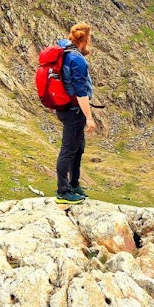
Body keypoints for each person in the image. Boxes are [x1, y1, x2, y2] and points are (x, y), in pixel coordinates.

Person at [55, 22, 97, 204]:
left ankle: (74, 183)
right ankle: (63, 192)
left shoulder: (63, 49)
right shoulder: (77, 60)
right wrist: (89, 117)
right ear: (86, 39)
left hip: (65, 107)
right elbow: (81, 91)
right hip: (74, 110)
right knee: (68, 149)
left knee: (78, 147)